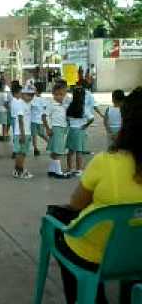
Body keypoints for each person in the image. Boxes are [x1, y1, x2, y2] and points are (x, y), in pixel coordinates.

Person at [54, 87, 142, 304]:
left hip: (95, 255)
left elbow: (76, 204)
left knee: (61, 231)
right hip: (137, 255)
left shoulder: (106, 162)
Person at [43, 81, 71, 179]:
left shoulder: (64, 104)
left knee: (55, 151)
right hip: (55, 128)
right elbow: (44, 116)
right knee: (58, 151)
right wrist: (47, 128)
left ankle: (51, 170)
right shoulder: (51, 104)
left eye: (62, 94)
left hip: (62, 128)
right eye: (57, 94)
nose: (59, 96)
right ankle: (58, 172)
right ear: (53, 94)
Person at [66, 86, 94, 176]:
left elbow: (66, 118)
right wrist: (85, 125)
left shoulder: (70, 106)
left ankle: (70, 168)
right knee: (79, 151)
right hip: (80, 130)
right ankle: (79, 169)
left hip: (71, 130)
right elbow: (91, 118)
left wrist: (70, 124)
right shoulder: (84, 108)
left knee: (70, 151)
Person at [12, 86, 34, 178]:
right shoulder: (21, 104)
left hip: (26, 132)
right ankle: (20, 171)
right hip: (22, 133)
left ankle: (17, 171)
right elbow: (20, 120)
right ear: (22, 94)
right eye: (28, 95)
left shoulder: (27, 103)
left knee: (22, 152)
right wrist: (22, 134)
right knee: (21, 153)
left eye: (32, 95)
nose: (30, 97)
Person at [31, 82, 48, 157]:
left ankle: (36, 148)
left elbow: (30, 107)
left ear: (36, 90)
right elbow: (45, 109)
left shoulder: (33, 99)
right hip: (38, 120)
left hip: (35, 120)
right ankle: (36, 148)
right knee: (39, 134)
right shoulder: (43, 99)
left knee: (37, 134)